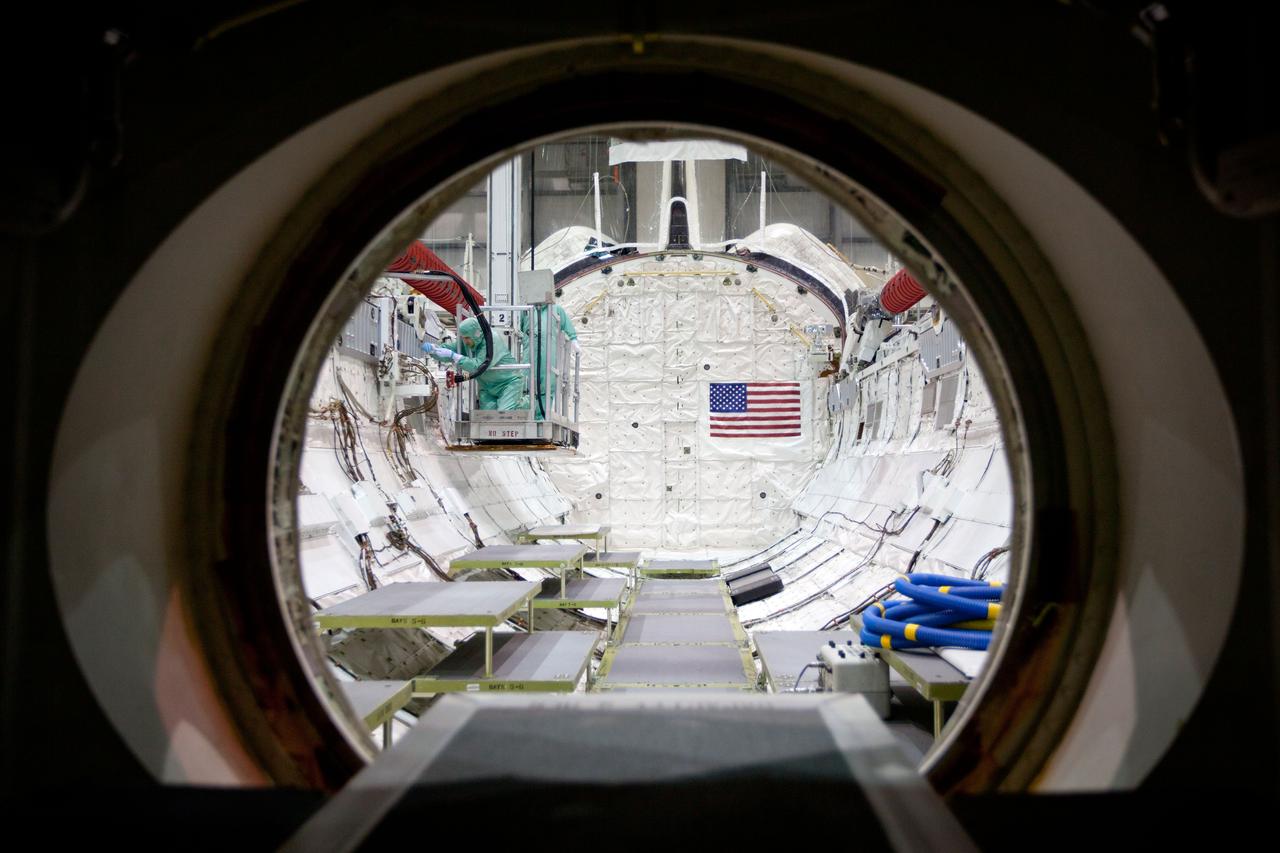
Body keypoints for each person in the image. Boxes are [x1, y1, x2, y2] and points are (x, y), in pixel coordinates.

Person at [422, 316, 528, 411]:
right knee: (487, 419)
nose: (465, 341)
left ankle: (526, 403)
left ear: (476, 333)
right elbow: (450, 350)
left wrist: (454, 356)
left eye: (467, 338)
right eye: (463, 338)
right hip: (487, 387)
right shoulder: (468, 341)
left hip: (508, 383)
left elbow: (478, 366)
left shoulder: (491, 340)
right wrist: (434, 350)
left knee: (504, 413)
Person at [520, 302, 580, 413]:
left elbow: (567, 326)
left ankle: (542, 419)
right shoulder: (525, 310)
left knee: (547, 389)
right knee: (526, 389)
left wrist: (574, 339)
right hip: (529, 360)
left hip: (548, 362)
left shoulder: (556, 310)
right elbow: (515, 330)